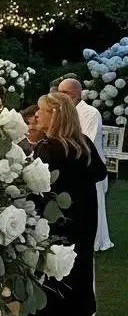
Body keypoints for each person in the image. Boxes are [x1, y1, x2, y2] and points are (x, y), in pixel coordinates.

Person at [15, 91, 107, 316]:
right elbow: (99, 174)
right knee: (76, 279)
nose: (36, 116)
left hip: (55, 225)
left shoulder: (49, 147)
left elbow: (36, 186)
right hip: (83, 224)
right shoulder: (83, 144)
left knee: (46, 278)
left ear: (54, 115)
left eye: (41, 111)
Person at [58, 77, 113, 252]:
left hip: (90, 165)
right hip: (74, 164)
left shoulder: (90, 113)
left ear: (75, 94)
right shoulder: (65, 111)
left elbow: (85, 140)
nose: (60, 96)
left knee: (94, 205)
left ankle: (97, 241)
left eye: (64, 93)